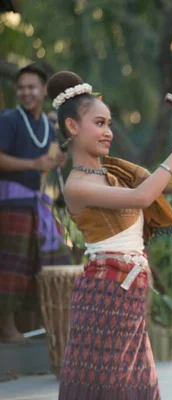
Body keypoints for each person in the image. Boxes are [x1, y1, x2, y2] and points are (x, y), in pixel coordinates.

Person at [46, 71, 172, 399]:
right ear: (72, 127)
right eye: (99, 123)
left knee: (136, 388)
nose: (108, 132)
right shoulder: (78, 185)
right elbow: (142, 198)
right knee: (106, 387)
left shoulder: (115, 171)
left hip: (128, 288)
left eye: (108, 123)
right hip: (104, 290)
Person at [0, 63, 71, 342]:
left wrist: (57, 161)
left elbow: (51, 164)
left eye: (32, 87)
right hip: (11, 205)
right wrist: (34, 163)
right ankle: (7, 328)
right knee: (11, 267)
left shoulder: (49, 125)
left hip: (41, 206)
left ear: (44, 90)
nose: (26, 92)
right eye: (21, 88)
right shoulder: (9, 120)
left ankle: (52, 324)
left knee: (55, 262)